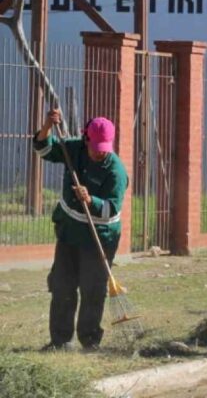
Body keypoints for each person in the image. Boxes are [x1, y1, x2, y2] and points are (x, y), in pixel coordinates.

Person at [33, 109, 128, 351]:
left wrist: (91, 200)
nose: (99, 152)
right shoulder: (73, 149)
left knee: (92, 289)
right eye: (95, 147)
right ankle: (61, 342)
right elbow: (43, 149)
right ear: (86, 139)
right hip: (69, 233)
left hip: (99, 238)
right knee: (62, 285)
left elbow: (111, 209)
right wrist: (47, 126)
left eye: (104, 148)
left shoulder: (116, 171)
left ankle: (90, 340)